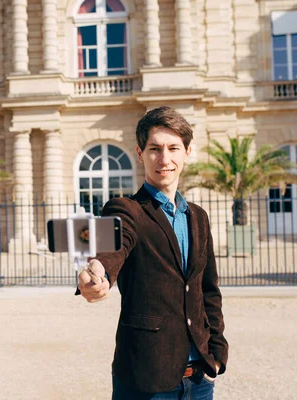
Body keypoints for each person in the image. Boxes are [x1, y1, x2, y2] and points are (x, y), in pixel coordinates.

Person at [77, 106, 228, 399]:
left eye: (173, 148)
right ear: (140, 153)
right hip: (146, 380)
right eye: (155, 148)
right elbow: (113, 245)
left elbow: (208, 291)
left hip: (199, 379)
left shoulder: (198, 217)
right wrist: (99, 273)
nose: (164, 158)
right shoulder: (126, 209)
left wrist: (217, 354)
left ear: (187, 152)